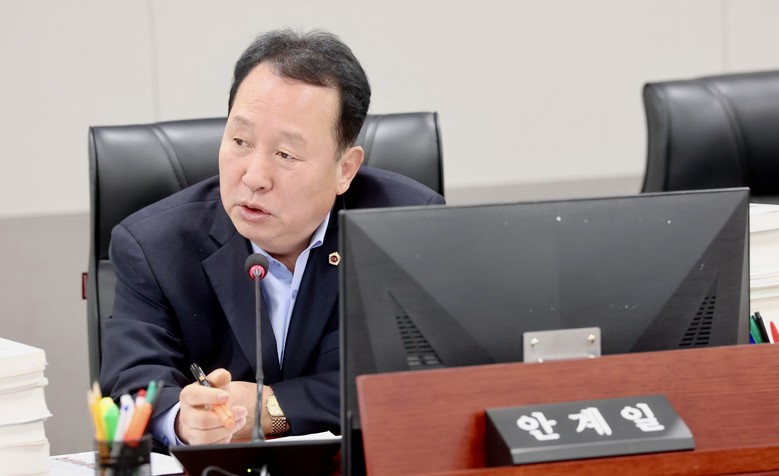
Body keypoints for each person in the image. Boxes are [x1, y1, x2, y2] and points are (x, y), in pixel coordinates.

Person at [98, 28, 444, 448]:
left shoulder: (407, 227)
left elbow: (425, 377)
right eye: (240, 141)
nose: (254, 177)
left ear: (345, 170)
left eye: (285, 154)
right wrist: (184, 422)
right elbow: (133, 380)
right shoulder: (153, 245)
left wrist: (273, 409)